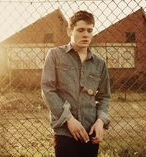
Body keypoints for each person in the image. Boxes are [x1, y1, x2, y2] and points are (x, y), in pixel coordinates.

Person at [41, 10, 110, 157]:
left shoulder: (100, 64)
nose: (85, 34)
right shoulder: (55, 55)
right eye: (80, 30)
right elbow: (47, 90)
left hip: (90, 132)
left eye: (89, 30)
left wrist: (100, 122)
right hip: (65, 131)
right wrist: (69, 119)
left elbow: (104, 96)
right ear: (69, 31)